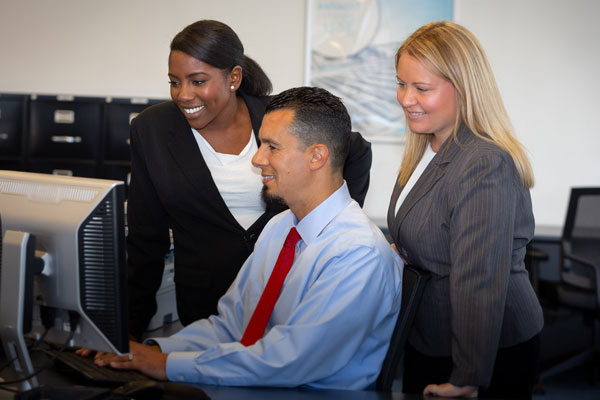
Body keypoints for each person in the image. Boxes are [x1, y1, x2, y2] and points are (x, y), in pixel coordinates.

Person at [92, 87, 402, 389]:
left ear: (317, 156)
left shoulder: (357, 252)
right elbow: (231, 325)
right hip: (260, 385)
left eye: (272, 147)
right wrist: (154, 351)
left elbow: (289, 359)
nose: (257, 159)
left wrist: (166, 365)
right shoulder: (281, 228)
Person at [127, 20, 372, 339]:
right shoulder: (153, 130)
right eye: (175, 82)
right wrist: (126, 332)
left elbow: (350, 148)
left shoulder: (275, 117)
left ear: (234, 77)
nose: (184, 95)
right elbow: (146, 239)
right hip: (207, 306)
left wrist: (334, 227)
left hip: (289, 295)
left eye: (198, 81)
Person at [387, 21, 543, 399]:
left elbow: (479, 278)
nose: (406, 98)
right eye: (401, 83)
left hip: (484, 351)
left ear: (464, 89)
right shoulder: (425, 149)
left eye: (421, 88)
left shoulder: (483, 162)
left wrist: (468, 375)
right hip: (430, 334)